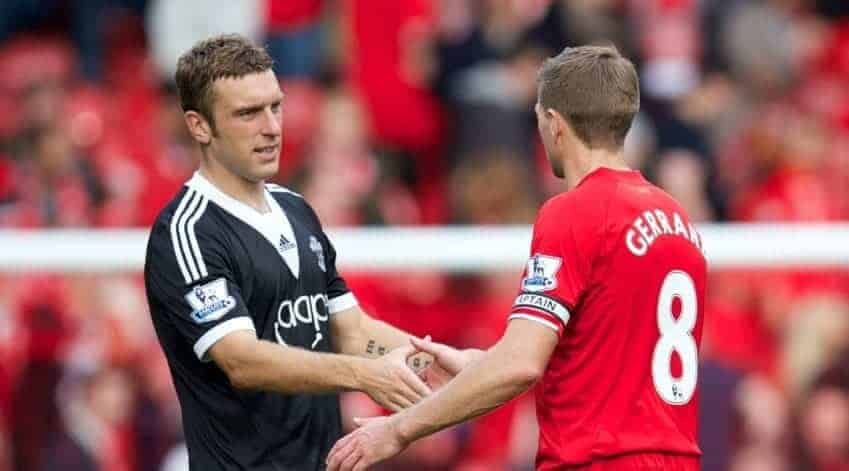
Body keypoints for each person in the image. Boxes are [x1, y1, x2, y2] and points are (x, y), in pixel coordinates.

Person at [326, 45, 708, 471]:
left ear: (554, 123)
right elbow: (602, 358)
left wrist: (397, 430)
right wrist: (478, 364)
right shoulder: (678, 220)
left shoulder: (574, 213)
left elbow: (522, 364)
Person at [143, 34, 437, 471]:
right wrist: (361, 375)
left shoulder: (296, 209)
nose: (271, 127)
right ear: (199, 125)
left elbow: (350, 330)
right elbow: (241, 359)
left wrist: (449, 361)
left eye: (275, 107)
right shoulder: (187, 233)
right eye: (247, 113)